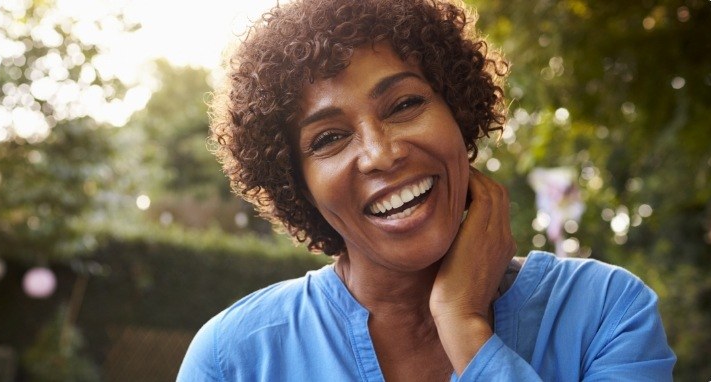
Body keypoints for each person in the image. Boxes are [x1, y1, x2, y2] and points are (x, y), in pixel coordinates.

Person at [178, 0, 676, 380]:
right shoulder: (235, 359)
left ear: (458, 114)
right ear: (298, 185)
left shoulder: (607, 312)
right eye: (329, 138)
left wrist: (464, 326)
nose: (381, 153)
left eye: (404, 104)